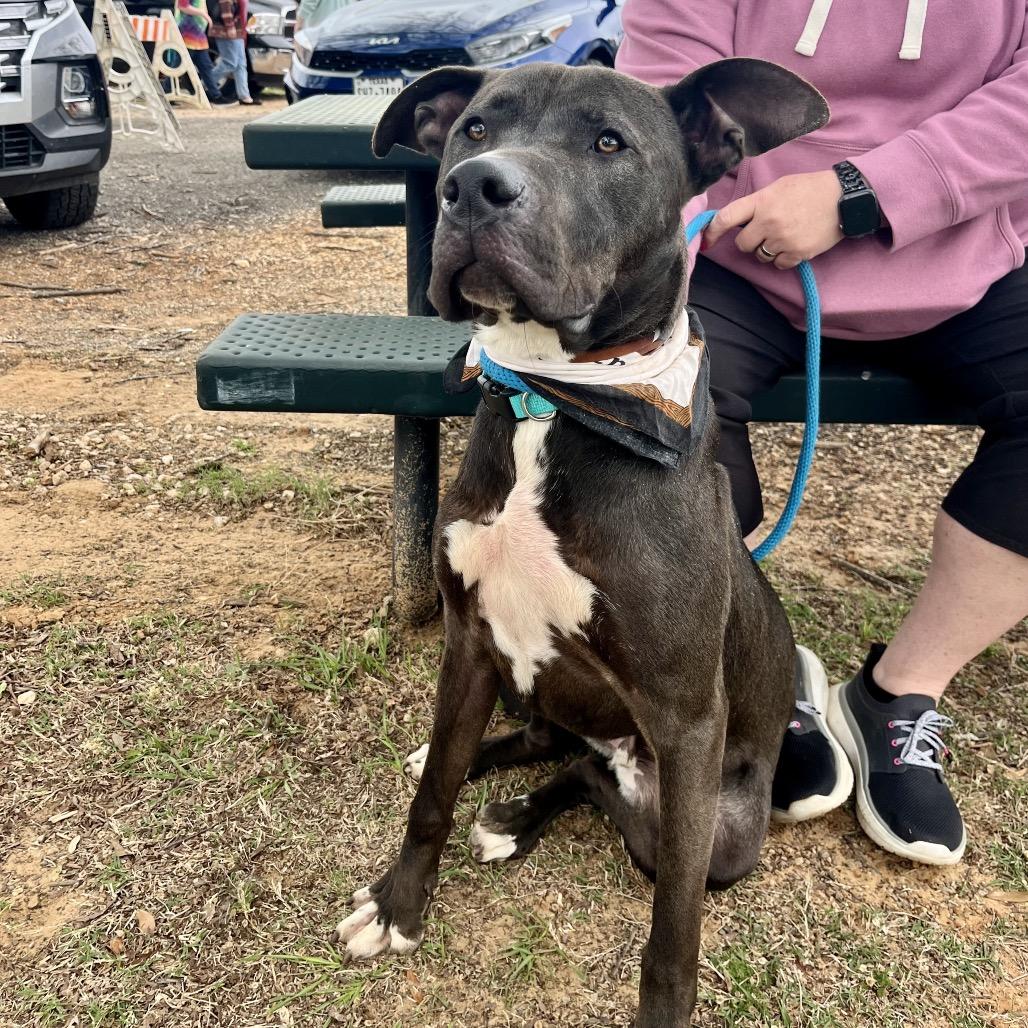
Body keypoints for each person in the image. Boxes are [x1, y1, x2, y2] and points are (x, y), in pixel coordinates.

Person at [617, 0, 1028, 866]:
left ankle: (898, 694)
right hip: (734, 256)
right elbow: (660, 111)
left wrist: (862, 192)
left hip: (968, 251)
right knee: (655, 425)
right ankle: (759, 674)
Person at [175, 0, 234, 105]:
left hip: (198, 35)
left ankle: (216, 96)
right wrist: (204, 15)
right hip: (187, 33)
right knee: (179, 66)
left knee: (206, 66)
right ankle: (166, 91)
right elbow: (182, 6)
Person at [210, 0, 259, 106]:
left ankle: (244, 96)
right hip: (226, 31)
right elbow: (225, 7)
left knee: (241, 65)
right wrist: (230, 26)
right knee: (230, 63)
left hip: (238, 31)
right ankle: (206, 84)